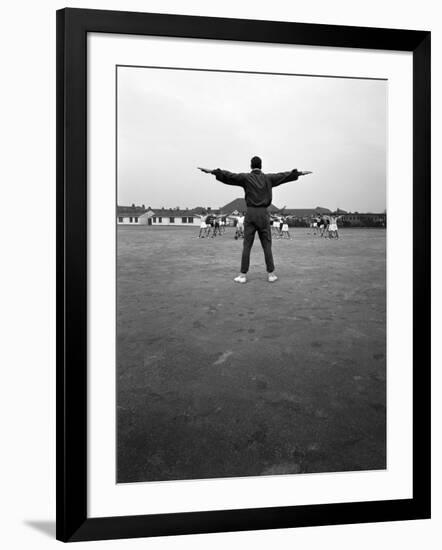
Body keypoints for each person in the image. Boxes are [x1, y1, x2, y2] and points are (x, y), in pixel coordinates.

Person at [198, 156, 311, 283]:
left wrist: (213, 171)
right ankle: (271, 274)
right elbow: (283, 175)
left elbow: (230, 176)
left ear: (251, 166)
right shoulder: (268, 178)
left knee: (247, 245)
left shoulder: (246, 178)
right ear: (261, 165)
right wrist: (299, 173)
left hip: (251, 213)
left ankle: (242, 275)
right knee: (267, 245)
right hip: (263, 213)